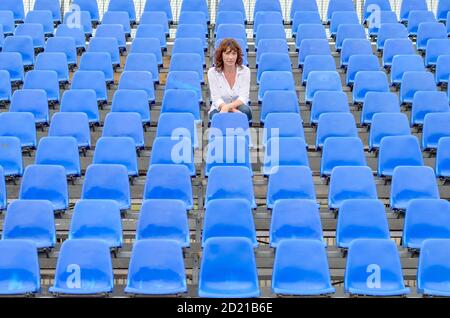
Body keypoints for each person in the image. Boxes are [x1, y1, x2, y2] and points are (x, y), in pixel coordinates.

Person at [207, 38, 252, 121]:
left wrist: (228, 107)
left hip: (239, 106)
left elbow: (243, 97)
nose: (231, 57)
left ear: (237, 55)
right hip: (219, 107)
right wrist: (231, 109)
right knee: (216, 116)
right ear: (221, 55)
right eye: (227, 53)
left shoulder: (245, 71)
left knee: (245, 111)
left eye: (234, 54)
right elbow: (216, 98)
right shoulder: (212, 72)